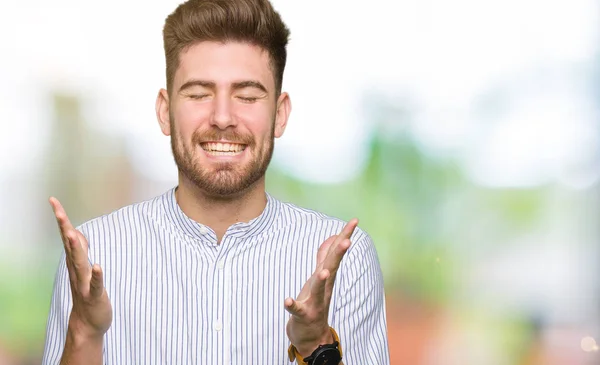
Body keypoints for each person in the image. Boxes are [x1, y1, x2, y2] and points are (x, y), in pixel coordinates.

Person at [42, 0, 390, 364]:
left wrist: (316, 345)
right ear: (165, 112)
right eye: (198, 94)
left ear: (280, 114)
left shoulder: (344, 264)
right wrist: (85, 332)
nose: (223, 117)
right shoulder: (93, 255)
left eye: (247, 95)